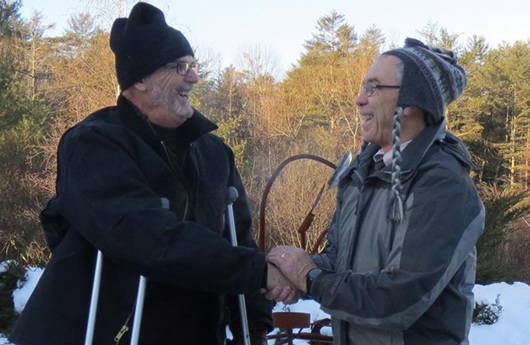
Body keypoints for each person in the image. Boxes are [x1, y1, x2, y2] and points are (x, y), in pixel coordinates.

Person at [8, 3, 295, 345]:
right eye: (181, 67)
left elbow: (239, 238)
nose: (195, 77)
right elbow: (144, 235)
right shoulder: (94, 145)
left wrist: (256, 327)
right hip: (106, 335)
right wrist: (257, 271)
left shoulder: (213, 152)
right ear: (140, 79)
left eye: (194, 65)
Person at [267, 38, 485, 345]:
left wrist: (310, 278)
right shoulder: (361, 173)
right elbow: (338, 261)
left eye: (372, 88)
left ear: (410, 103)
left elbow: (398, 300)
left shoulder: (441, 182)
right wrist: (291, 272)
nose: (359, 99)